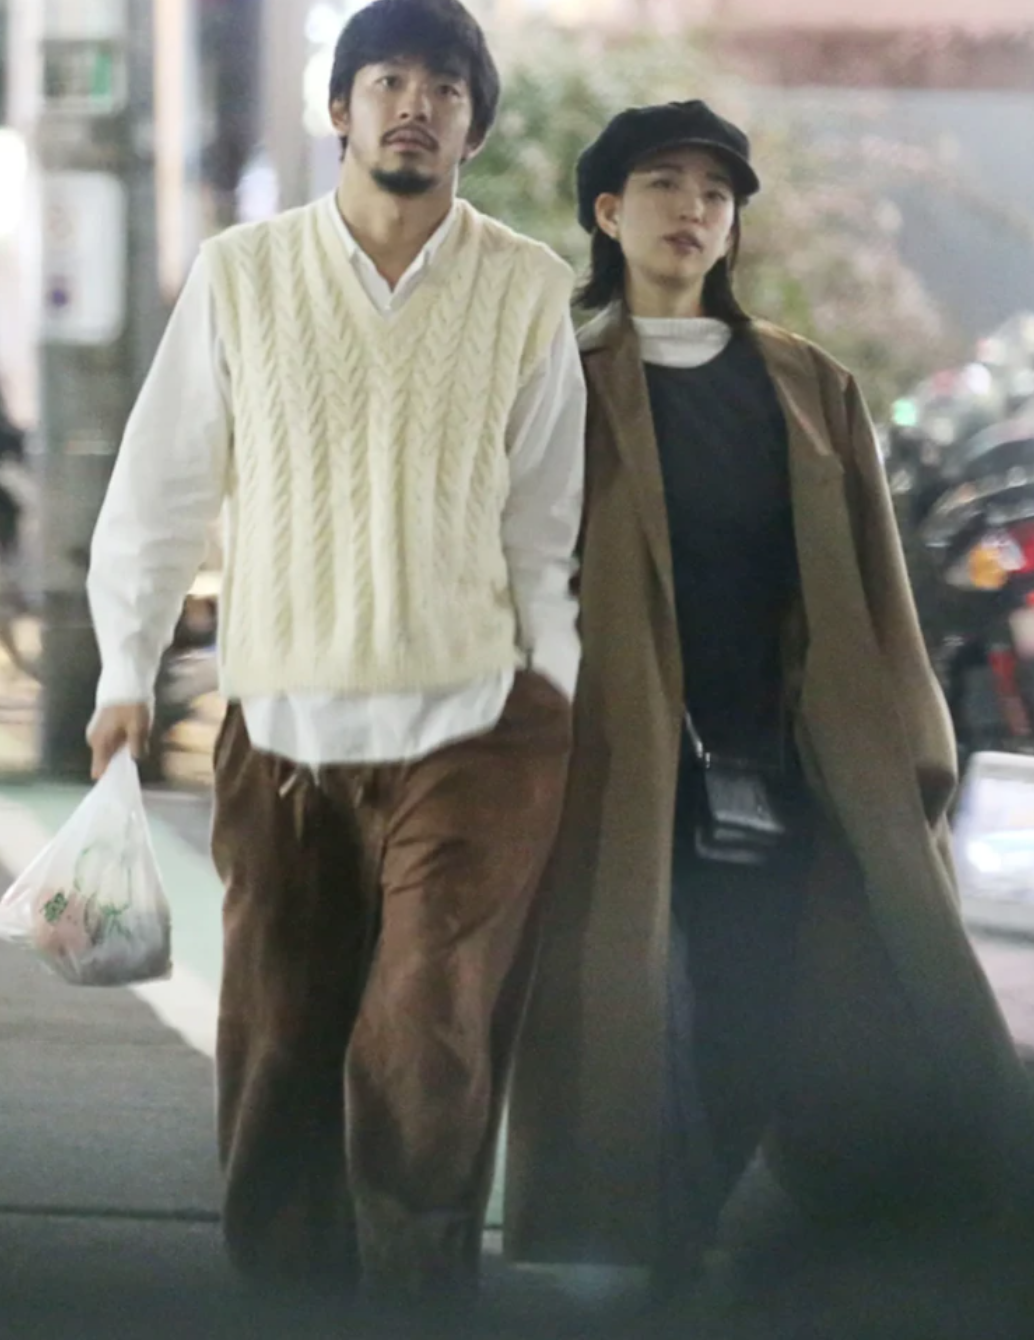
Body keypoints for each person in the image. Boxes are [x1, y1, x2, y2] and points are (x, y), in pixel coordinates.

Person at [86, 0, 584, 1308]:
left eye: (443, 88)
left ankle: (417, 1297)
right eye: (387, 81)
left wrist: (557, 689)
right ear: (340, 109)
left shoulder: (527, 289)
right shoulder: (242, 275)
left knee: (426, 1032)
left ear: (474, 127)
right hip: (284, 728)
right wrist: (125, 669)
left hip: (476, 725)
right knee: (278, 1042)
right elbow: (159, 488)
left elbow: (545, 525)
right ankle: (289, 1298)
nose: (414, 104)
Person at [503, 100, 1034, 1298]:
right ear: (606, 212)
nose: (692, 209)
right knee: (639, 1008)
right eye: (663, 183)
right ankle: (644, 1251)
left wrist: (906, 756)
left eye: (715, 192)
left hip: (780, 755)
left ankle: (706, 1243)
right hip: (616, 752)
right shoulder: (556, 380)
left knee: (764, 1002)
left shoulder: (804, 383)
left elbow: (876, 595)